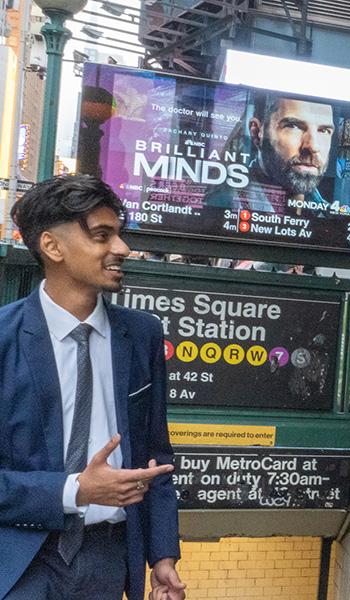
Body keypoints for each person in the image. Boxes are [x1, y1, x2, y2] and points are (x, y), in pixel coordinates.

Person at [2, 174, 185, 600]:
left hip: (109, 557)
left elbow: (156, 455)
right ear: (52, 246)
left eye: (119, 234)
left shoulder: (143, 335)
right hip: (17, 558)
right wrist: (76, 490)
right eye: (102, 236)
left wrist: (162, 557)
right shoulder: (4, 339)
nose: (122, 249)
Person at [206, 93, 335, 214]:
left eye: (324, 130)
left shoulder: (330, 215)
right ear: (257, 133)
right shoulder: (218, 204)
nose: (313, 146)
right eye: (294, 126)